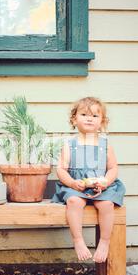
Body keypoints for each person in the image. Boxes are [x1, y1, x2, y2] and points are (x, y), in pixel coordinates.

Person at [51, 97, 126, 263]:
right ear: (74, 119)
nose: (89, 118)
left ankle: (104, 242)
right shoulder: (69, 145)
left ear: (102, 121)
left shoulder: (105, 145)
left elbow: (113, 168)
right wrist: (71, 183)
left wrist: (105, 181)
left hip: (100, 187)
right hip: (76, 186)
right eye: (84, 114)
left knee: (106, 204)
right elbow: (61, 169)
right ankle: (78, 240)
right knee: (73, 202)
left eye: (94, 116)